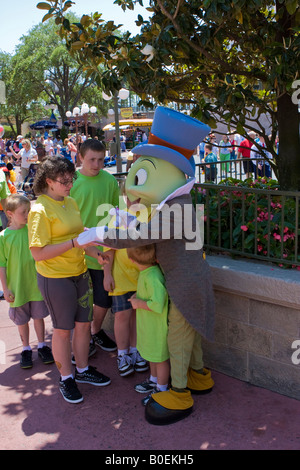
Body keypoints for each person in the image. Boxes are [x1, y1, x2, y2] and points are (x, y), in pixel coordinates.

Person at [28, 156, 111, 404]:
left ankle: (83, 371)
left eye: (70, 180)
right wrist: (75, 243)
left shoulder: (71, 202)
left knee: (84, 326)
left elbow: (78, 235)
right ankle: (66, 378)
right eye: (63, 181)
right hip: (55, 278)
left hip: (79, 272)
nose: (69, 185)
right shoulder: (39, 210)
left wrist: (94, 250)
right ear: (49, 182)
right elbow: (38, 252)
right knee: (63, 331)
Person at [70, 139, 119, 354]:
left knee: (103, 299)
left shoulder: (110, 181)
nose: (97, 164)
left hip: (102, 249)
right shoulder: (71, 182)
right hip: (76, 252)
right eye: (92, 159)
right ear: (81, 157)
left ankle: (95, 331)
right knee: (80, 302)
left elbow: (115, 216)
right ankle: (82, 338)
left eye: (101, 159)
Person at [0, 194, 54, 369]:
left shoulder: (33, 229)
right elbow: (2, 265)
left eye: (28, 211)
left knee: (39, 317)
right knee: (21, 320)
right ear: (10, 213)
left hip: (36, 284)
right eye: (23, 212)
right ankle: (25, 349)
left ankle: (42, 345)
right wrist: (5, 288)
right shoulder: (3, 237)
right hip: (17, 287)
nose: (27, 215)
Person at [127, 245, 169, 406]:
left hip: (157, 327)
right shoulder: (148, 272)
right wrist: (138, 296)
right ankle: (154, 380)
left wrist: (138, 303)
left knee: (160, 358)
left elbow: (157, 304)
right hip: (150, 325)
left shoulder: (152, 276)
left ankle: (162, 389)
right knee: (153, 355)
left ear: (131, 260)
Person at [103, 245, 148, 377]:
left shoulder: (147, 222)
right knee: (121, 315)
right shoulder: (114, 223)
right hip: (120, 276)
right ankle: (122, 354)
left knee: (137, 314)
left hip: (141, 275)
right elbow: (108, 248)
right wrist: (107, 274)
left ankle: (135, 350)